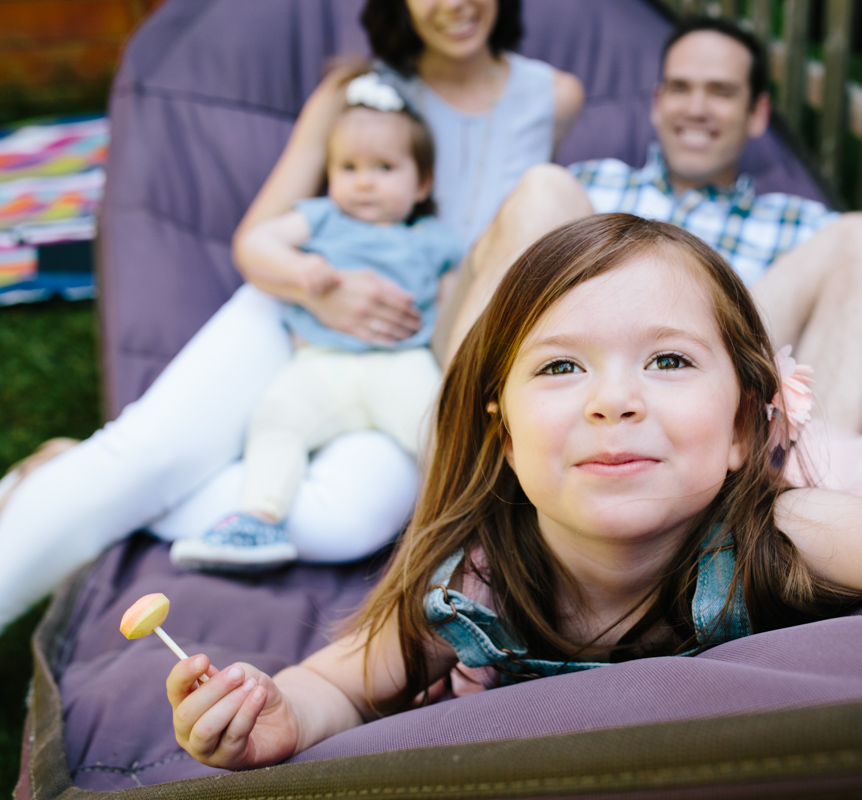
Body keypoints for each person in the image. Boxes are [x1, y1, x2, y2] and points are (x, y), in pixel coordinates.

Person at [166, 214, 862, 770]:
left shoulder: (786, 533)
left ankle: (857, 447)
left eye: (665, 361)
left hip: (804, 481)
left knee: (860, 486)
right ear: (504, 428)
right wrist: (276, 711)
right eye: (562, 368)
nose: (614, 400)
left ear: (745, 417)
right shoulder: (472, 578)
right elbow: (338, 681)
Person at [0, 0, 585, 631]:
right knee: (147, 456)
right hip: (302, 303)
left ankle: (67, 477)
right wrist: (322, 290)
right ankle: (90, 497)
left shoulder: (553, 94)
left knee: (347, 520)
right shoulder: (357, 90)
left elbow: (502, 246)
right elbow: (255, 239)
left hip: (417, 352)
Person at [436, 16, 862, 436]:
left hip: (700, 382)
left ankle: (811, 499)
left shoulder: (796, 224)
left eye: (721, 92)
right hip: (575, 375)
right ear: (657, 104)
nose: (697, 108)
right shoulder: (587, 186)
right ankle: (460, 463)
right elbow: (477, 269)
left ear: (757, 114)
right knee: (541, 186)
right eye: (681, 88)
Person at [170, 74, 463, 571]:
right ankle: (258, 519)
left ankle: (461, 527)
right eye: (347, 168)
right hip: (322, 362)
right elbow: (261, 241)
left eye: (384, 167)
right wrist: (299, 268)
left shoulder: (435, 238)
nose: (364, 181)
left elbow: (457, 300)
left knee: (441, 430)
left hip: (402, 361)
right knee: (276, 419)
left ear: (423, 183)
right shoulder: (323, 219)